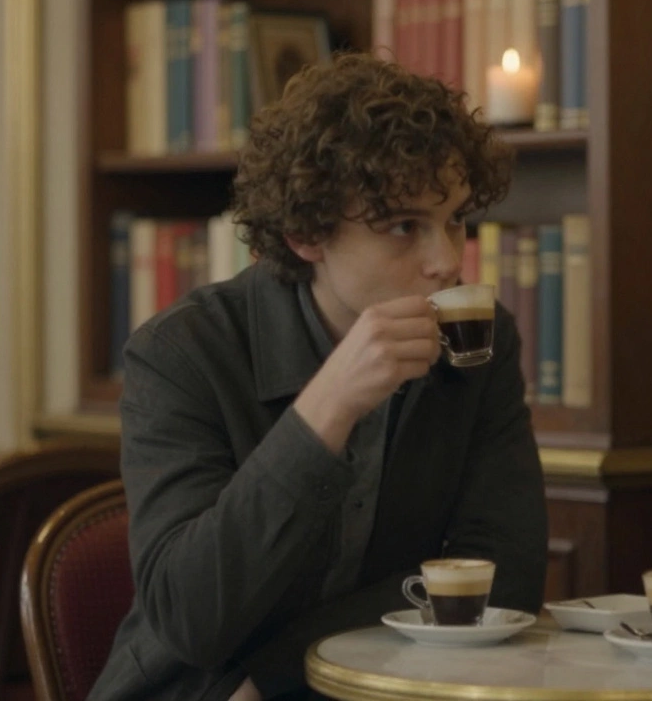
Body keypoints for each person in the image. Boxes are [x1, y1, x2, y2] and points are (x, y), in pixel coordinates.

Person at [89, 53, 548, 701]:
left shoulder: (478, 340)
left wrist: (279, 675)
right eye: (404, 226)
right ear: (307, 233)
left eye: (454, 220)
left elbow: (506, 577)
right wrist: (327, 406)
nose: (447, 261)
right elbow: (190, 621)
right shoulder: (181, 353)